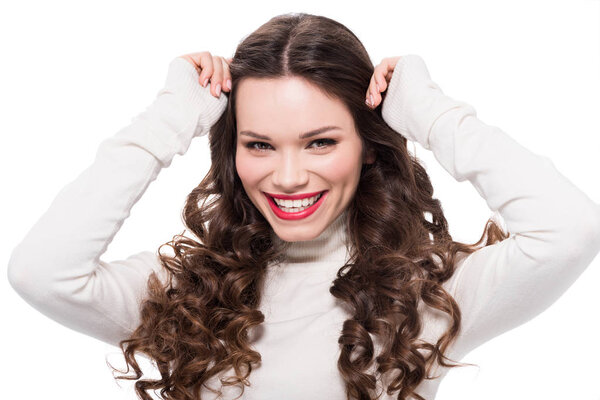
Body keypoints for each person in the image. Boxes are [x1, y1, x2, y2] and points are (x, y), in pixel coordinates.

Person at [7, 12, 600, 400]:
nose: (289, 178)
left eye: (321, 142)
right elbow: (42, 273)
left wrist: (433, 113)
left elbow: (569, 229)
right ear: (230, 149)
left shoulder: (426, 296)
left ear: (368, 147)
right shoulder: (182, 295)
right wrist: (166, 121)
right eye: (259, 144)